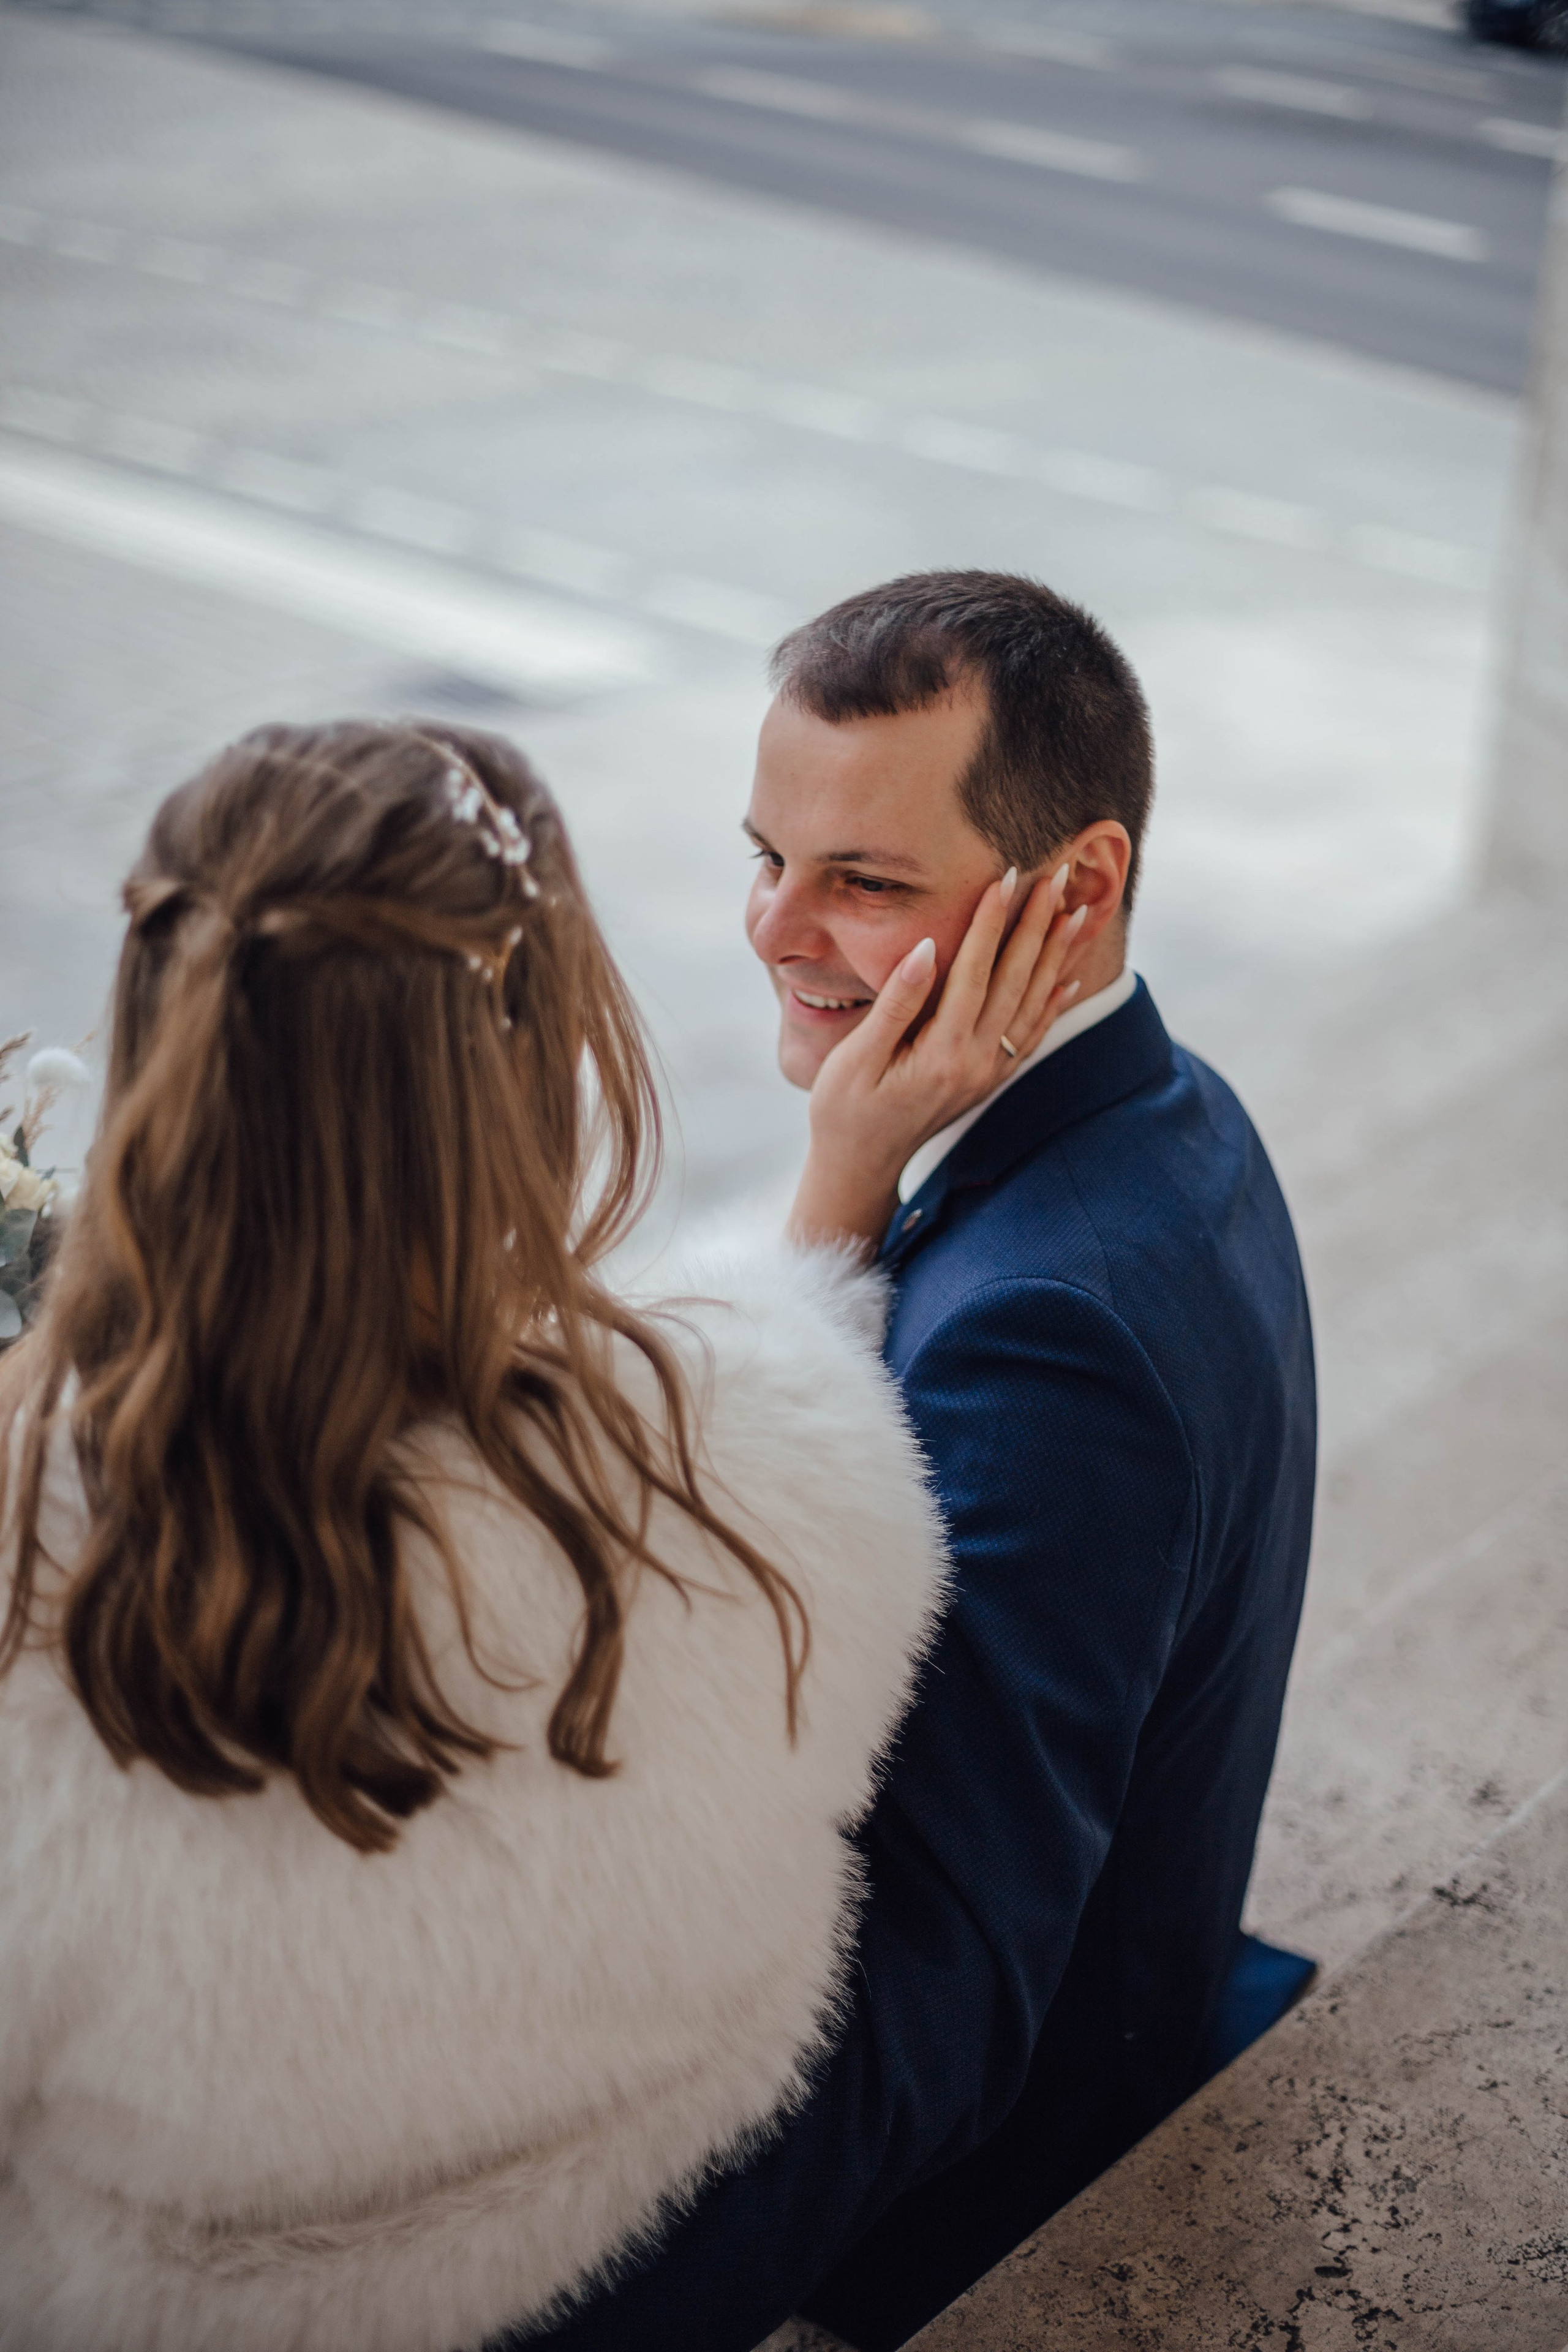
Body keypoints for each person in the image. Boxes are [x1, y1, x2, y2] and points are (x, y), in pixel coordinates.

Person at [0, 716, 1079, 2352]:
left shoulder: (31, 1559)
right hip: (635, 2251)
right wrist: (850, 1173)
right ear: (541, 1044)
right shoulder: (783, 1473)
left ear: (158, 1031)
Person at [517, 571, 1318, 2352]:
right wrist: (846, 1177)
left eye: (866, 884)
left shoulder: (1055, 1335)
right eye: (766, 856)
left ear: (1082, 886)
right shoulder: (1160, 1114)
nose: (776, 930)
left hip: (979, 2194)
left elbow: (931, 2005)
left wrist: (548, 2318)